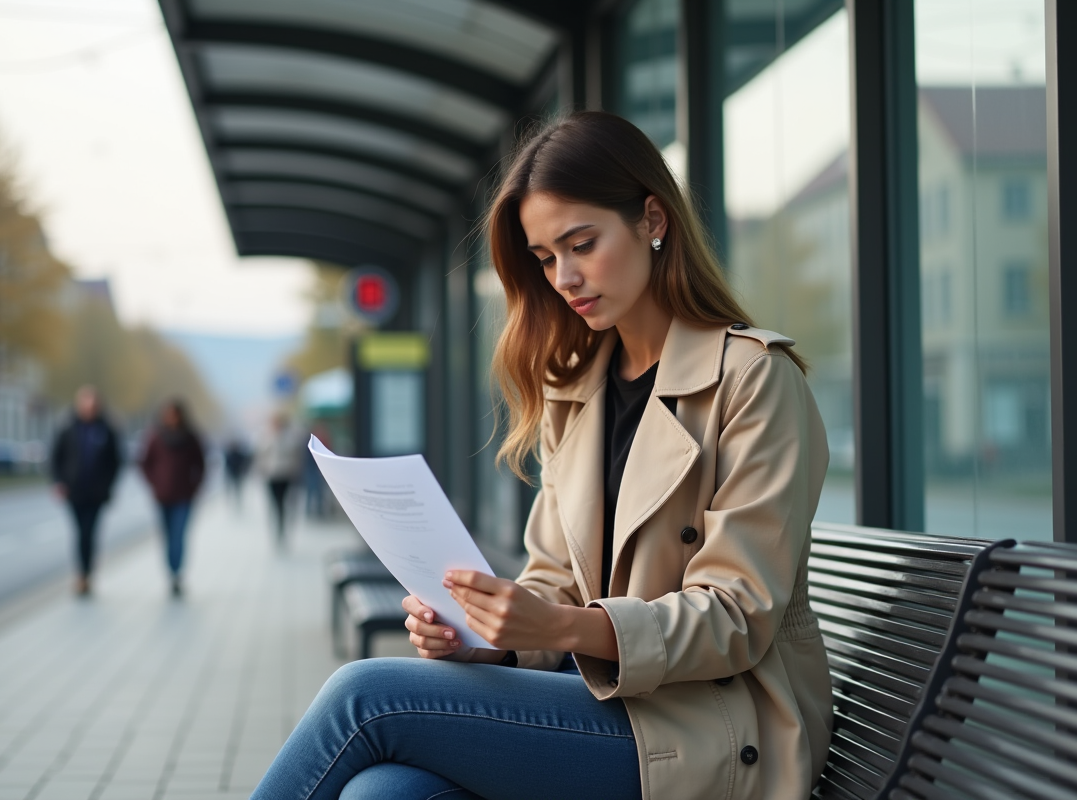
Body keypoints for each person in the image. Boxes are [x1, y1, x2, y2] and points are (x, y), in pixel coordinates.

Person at [253, 112, 833, 800]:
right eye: (544, 257)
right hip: (599, 704)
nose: (564, 276)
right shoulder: (577, 390)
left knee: (364, 695)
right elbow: (555, 582)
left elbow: (737, 617)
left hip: (711, 727)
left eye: (582, 243)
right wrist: (487, 640)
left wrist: (559, 625)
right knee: (384, 792)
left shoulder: (752, 379)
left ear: (653, 219)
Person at [51, 386, 121, 597]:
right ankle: (82, 573)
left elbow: (116, 460)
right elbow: (56, 456)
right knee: (80, 533)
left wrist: (108, 485)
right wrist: (59, 482)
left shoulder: (106, 429)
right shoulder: (68, 427)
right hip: (75, 491)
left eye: (92, 405)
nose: (88, 409)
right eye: (85, 404)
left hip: (97, 492)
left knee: (90, 532)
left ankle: (86, 573)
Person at [139, 399, 206, 598]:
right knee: (167, 536)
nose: (171, 418)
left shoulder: (190, 437)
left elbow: (201, 464)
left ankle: (176, 574)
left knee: (179, 536)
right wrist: (154, 483)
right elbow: (144, 463)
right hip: (162, 496)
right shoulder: (155, 436)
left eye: (174, 414)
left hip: (184, 496)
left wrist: (195, 486)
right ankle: (170, 571)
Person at [255, 412, 299, 544]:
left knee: (283, 504)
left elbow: (295, 455)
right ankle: (277, 530)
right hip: (272, 475)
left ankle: (282, 529)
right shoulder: (266, 436)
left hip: (285, 474)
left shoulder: (290, 437)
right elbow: (260, 455)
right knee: (275, 504)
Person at [222, 437, 251, 507]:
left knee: (238, 488)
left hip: (238, 474)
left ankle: (238, 501)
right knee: (232, 489)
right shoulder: (229, 455)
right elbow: (227, 465)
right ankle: (231, 502)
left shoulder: (239, 454)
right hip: (232, 474)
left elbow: (244, 463)